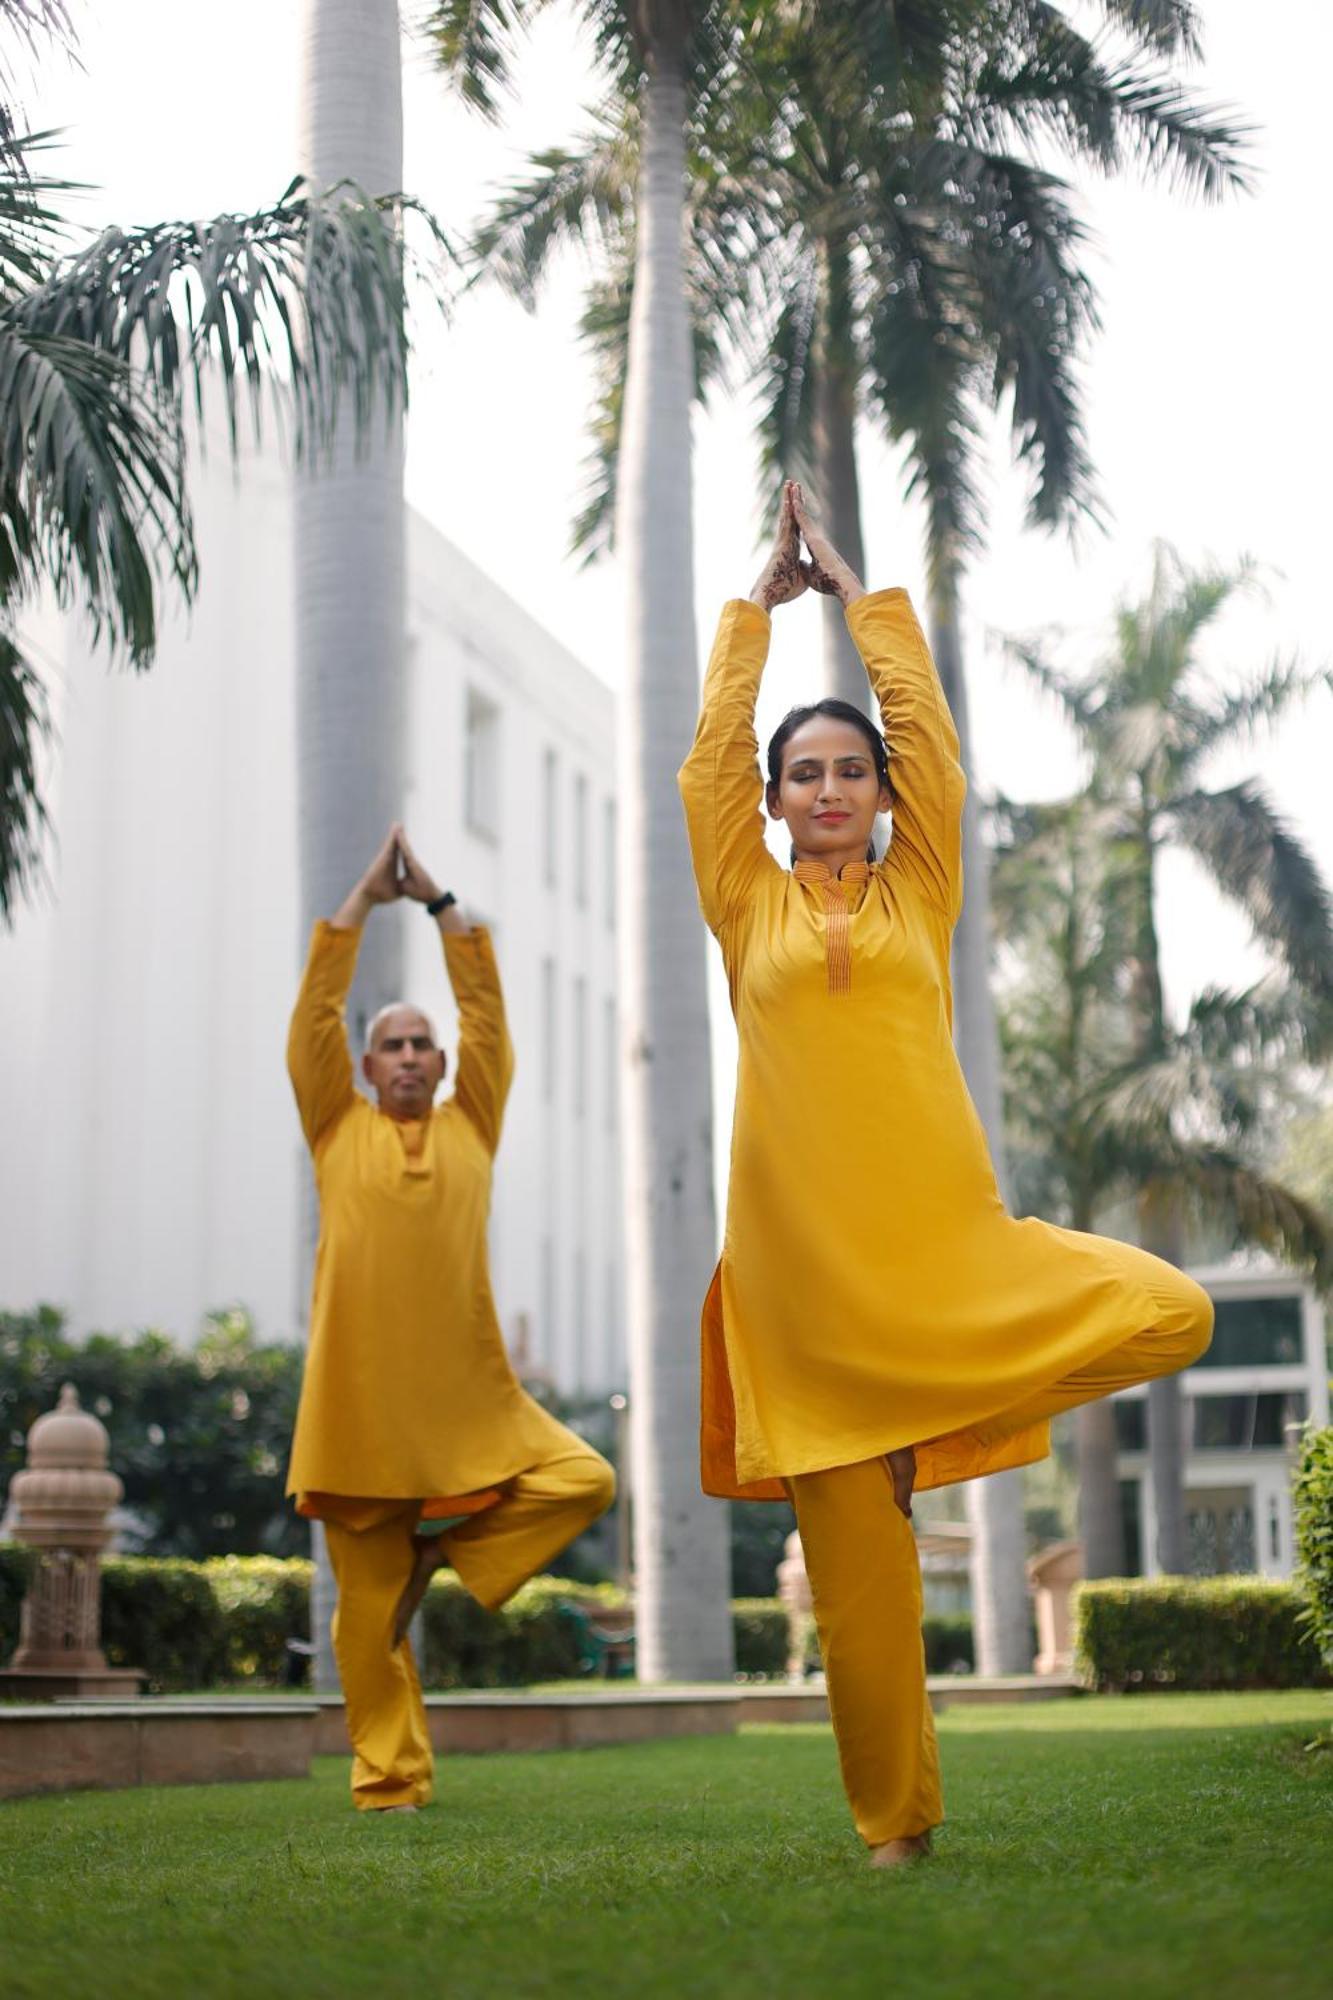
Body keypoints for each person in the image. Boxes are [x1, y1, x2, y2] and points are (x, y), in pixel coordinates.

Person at [678, 483, 1212, 1867]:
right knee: (861, 1599)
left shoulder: (920, 888)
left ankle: (942, 1409)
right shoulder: (746, 899)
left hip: (945, 1254)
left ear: (879, 794)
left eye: (853, 769)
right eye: (806, 773)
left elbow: (940, 754)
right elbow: (700, 772)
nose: (833, 787)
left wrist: (862, 605)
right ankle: (894, 1833)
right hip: (805, 1292)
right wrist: (756, 606)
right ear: (777, 801)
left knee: (1173, 1311)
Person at [286, 825, 615, 1812]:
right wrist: (358, 904)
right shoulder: (335, 1126)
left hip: (471, 1405)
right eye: (392, 1042)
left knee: (583, 1476)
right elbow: (311, 1015)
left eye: (423, 1042)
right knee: (365, 1622)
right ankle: (392, 1780)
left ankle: (445, 1552)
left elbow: (488, 1014)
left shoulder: (473, 1121)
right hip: (358, 1415)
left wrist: (438, 905)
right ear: (364, 1063)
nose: (412, 1053)